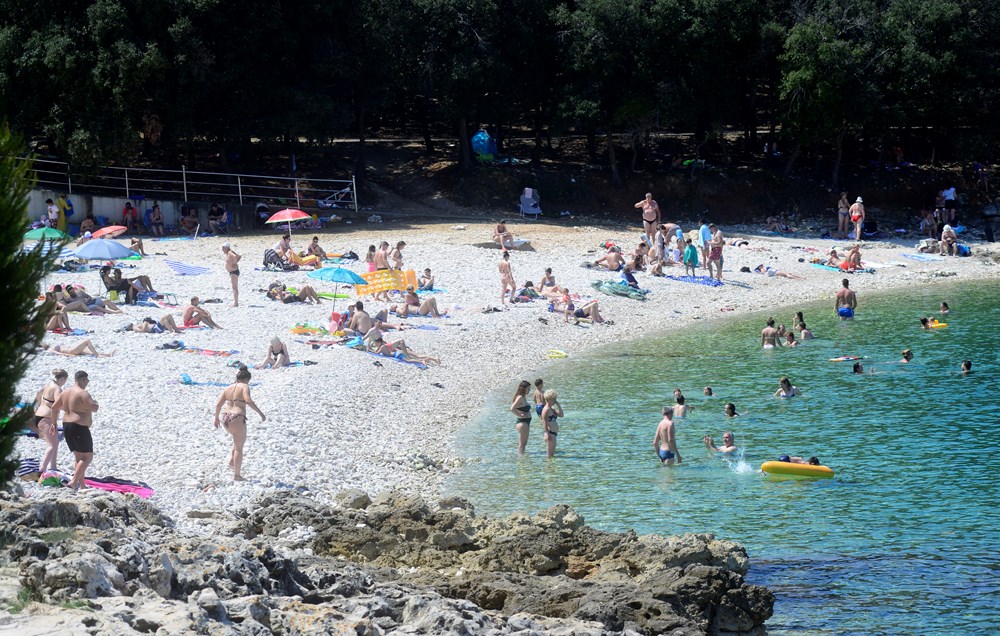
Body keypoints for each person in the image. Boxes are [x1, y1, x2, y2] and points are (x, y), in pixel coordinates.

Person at [213, 365, 266, 481]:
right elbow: (248, 401)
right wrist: (260, 413)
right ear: (247, 379)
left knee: (236, 440)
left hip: (225, 417)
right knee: (239, 448)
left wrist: (216, 418)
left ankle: (232, 462)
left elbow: (218, 405)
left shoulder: (227, 388)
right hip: (237, 417)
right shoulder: (244, 386)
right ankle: (237, 475)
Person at [49, 370, 99, 490]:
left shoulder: (65, 393)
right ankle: (73, 482)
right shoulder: (83, 393)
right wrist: (95, 403)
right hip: (78, 427)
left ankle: (82, 485)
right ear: (83, 380)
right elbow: (94, 408)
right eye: (87, 380)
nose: (87, 383)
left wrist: (54, 423)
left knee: (79, 456)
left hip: (66, 426)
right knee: (87, 457)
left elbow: (54, 408)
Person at [33, 368, 68, 470]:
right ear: (62, 378)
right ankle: (42, 469)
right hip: (46, 419)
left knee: (55, 442)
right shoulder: (57, 389)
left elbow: (38, 394)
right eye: (65, 380)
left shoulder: (48, 385)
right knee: (51, 445)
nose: (65, 383)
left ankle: (53, 467)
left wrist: (38, 405)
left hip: (39, 416)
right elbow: (57, 404)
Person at [510, 380, 533, 455]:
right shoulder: (520, 397)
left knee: (524, 443)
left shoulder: (523, 397)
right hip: (522, 423)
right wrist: (520, 415)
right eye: (528, 389)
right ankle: (521, 458)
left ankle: (523, 457)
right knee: (522, 444)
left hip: (525, 422)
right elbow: (512, 408)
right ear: (523, 388)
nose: (529, 390)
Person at [540, 389, 563, 458]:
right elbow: (544, 422)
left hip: (554, 434)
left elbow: (561, 415)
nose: (555, 401)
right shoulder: (546, 409)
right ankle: (548, 465)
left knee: (552, 456)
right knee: (549, 456)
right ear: (549, 399)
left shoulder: (552, 409)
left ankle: (551, 465)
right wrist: (546, 433)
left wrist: (558, 405)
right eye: (554, 399)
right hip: (550, 434)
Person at [220, 243, 242, 307]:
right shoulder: (229, 252)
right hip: (232, 271)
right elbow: (239, 256)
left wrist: (234, 263)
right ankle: (235, 302)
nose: (222, 250)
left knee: (235, 287)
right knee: (234, 287)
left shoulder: (230, 252)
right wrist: (235, 262)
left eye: (223, 248)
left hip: (233, 271)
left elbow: (235, 256)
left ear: (226, 248)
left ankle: (236, 303)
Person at [42, 340, 115, 357]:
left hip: (72, 350)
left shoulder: (51, 346)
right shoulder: (50, 349)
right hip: (71, 351)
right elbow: (58, 353)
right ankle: (97, 355)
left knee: (89, 352)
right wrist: (69, 355)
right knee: (87, 341)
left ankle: (107, 355)